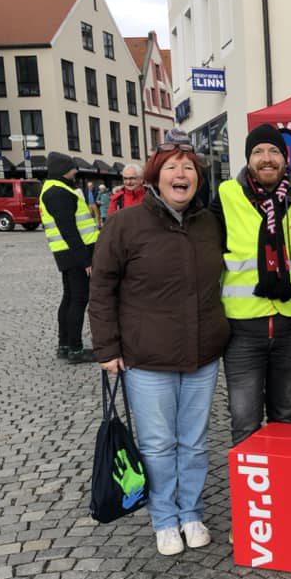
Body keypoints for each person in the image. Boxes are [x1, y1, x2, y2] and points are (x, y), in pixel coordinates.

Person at [89, 140, 229, 556]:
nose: (181, 175)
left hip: (202, 354)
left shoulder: (209, 223)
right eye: (172, 167)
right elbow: (102, 288)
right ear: (155, 177)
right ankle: (165, 518)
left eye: (189, 168)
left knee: (194, 442)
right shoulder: (125, 224)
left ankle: (191, 511)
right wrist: (106, 348)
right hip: (146, 357)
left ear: (198, 179)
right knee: (157, 444)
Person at [211, 123, 291, 446]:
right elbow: (199, 246)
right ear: (249, 159)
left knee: (284, 415)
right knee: (244, 419)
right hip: (242, 327)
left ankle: (282, 491)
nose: (266, 158)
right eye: (258, 152)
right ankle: (252, 494)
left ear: (285, 157)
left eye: (274, 151)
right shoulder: (226, 195)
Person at [39, 152, 99, 364]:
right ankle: (75, 349)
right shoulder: (58, 192)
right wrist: (86, 260)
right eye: (72, 167)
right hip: (75, 254)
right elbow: (69, 229)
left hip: (67, 253)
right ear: (63, 169)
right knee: (78, 300)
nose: (75, 171)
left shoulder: (55, 188)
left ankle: (64, 345)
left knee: (69, 298)